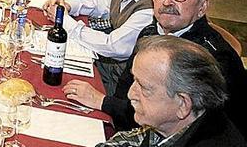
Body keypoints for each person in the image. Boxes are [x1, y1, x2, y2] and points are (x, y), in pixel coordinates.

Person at [64, 0, 247, 137]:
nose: (167, 2)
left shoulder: (208, 60)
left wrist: (102, 101)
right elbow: (126, 88)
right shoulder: (151, 31)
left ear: (202, 7)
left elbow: (173, 125)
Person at [94, 36, 245, 147]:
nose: (130, 94)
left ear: (183, 105)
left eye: (144, 88)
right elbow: (134, 139)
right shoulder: (169, 124)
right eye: (134, 80)